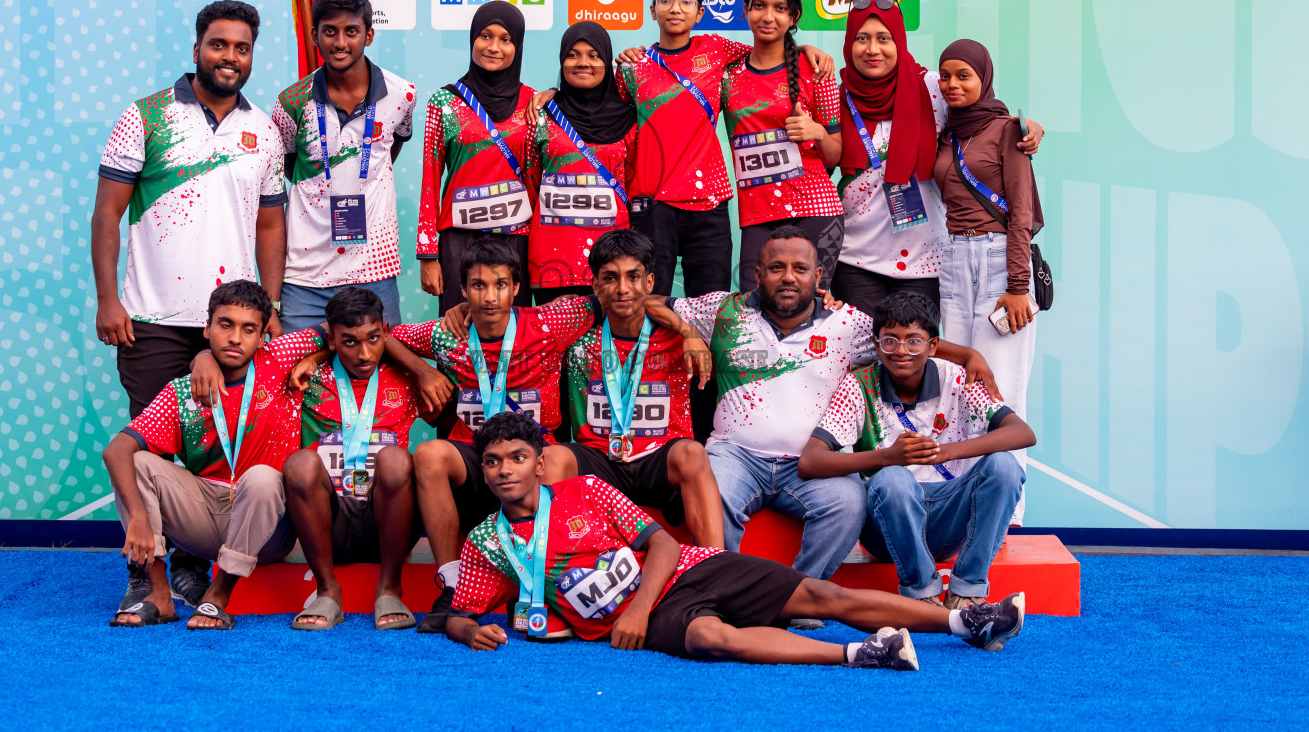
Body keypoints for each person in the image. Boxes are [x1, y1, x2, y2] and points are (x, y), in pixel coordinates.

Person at [443, 411, 1025, 667]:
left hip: (682, 573)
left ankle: (963, 623)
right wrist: (473, 629)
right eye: (492, 462)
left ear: (542, 463)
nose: (502, 471)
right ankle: (862, 654)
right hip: (657, 616)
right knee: (709, 638)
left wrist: (639, 610)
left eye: (517, 458)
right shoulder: (487, 542)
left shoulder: (586, 491)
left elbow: (664, 546)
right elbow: (457, 611)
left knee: (821, 597)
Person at [386, 237, 704, 633]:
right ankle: (452, 584)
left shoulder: (553, 321)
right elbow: (387, 336)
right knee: (430, 453)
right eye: (479, 286)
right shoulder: (446, 334)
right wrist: (424, 371)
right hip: (475, 456)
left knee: (551, 459)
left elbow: (627, 297)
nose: (490, 297)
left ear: (517, 288)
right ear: (463, 291)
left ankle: (546, 584)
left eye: (500, 285)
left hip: (534, 460)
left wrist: (684, 328)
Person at [683, 226, 998, 621]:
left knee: (849, 503)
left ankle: (793, 599)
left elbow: (901, 339)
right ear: (757, 273)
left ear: (818, 278)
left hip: (812, 466)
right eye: (776, 267)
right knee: (713, 493)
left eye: (800, 268)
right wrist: (686, 332)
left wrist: (969, 356)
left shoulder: (846, 323)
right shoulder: (722, 310)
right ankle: (724, 597)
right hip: (737, 454)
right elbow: (651, 302)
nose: (788, 277)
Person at [91, 0, 286, 606]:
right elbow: (106, 213)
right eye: (219, 44)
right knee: (148, 451)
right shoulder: (145, 116)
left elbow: (271, 227)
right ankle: (143, 571)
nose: (230, 57)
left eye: (242, 48)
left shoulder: (265, 131)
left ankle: (197, 566)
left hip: (230, 324)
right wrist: (107, 299)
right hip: (150, 320)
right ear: (197, 47)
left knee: (218, 451)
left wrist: (270, 304)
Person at [101, 281, 320, 630]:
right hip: (203, 515)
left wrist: (312, 357)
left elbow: (337, 330)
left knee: (263, 476)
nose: (235, 338)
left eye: (248, 329)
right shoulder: (182, 391)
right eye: (225, 325)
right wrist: (140, 517)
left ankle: (217, 597)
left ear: (264, 336)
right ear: (207, 327)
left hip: (267, 527)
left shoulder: (279, 359)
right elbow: (116, 451)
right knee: (138, 461)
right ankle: (159, 594)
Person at [799, 291, 1033, 609]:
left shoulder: (957, 379)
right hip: (886, 528)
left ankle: (967, 591)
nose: (901, 351)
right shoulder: (858, 385)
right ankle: (922, 595)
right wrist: (887, 457)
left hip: (949, 520)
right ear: (876, 344)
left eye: (914, 341)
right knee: (892, 478)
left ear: (933, 345)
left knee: (1005, 466)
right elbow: (810, 461)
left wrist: (949, 451)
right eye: (890, 341)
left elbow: (1022, 433)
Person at [607, 0, 834, 297]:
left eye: (686, 1)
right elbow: (602, 112)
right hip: (653, 201)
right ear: (652, 9)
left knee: (713, 306)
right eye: (666, 0)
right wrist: (552, 97)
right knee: (649, 303)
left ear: (700, 12)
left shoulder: (717, 50)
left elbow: (767, 51)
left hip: (708, 202)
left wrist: (804, 49)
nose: (675, 8)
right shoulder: (632, 67)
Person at [831, 0, 1042, 318]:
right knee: (864, 362)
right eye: (862, 38)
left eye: (883, 38)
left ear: (899, 41)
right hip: (855, 260)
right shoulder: (835, 96)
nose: (873, 49)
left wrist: (1027, 127)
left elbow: (982, 118)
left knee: (914, 360)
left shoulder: (930, 87)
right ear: (849, 43)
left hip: (926, 261)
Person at [280, 286, 442, 631]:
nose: (364, 353)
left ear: (386, 332)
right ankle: (327, 591)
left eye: (372, 338)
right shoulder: (307, 379)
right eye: (350, 341)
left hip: (386, 523)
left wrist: (425, 371)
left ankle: (390, 588)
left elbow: (451, 421)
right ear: (332, 338)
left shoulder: (407, 378)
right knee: (298, 464)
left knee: (396, 460)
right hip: (330, 524)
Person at [933, 39, 1044, 524]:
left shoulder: (1009, 131)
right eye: (947, 75)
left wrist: (1018, 286)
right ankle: (958, 509)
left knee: (1000, 391)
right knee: (955, 383)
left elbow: (1022, 213)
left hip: (1002, 264)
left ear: (985, 79)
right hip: (954, 259)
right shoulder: (947, 133)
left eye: (965, 76)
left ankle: (1007, 515)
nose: (954, 84)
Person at [558, 228, 725, 548]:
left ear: (649, 282)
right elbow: (513, 323)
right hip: (599, 461)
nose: (622, 288)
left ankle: (714, 564)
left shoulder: (682, 339)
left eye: (633, 277)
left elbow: (755, 314)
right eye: (610, 278)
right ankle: (558, 571)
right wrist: (464, 310)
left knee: (693, 452)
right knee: (552, 459)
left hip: (658, 462)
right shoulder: (575, 335)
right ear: (594, 285)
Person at [273, 0, 416, 329]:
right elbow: (289, 167)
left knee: (383, 376)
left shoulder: (403, 94)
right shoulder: (290, 102)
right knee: (297, 376)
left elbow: (390, 147)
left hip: (375, 269)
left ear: (368, 35)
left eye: (351, 31)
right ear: (314, 36)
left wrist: (362, 173)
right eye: (330, 31)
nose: (340, 42)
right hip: (304, 276)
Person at [721, 0, 844, 292]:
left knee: (812, 309)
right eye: (759, 5)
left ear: (794, 16)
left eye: (780, 8)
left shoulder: (816, 72)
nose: (768, 16)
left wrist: (816, 131)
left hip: (816, 209)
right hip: (757, 214)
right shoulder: (728, 74)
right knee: (751, 313)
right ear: (746, 9)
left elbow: (836, 153)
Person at [417, 1, 536, 315]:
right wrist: (428, 255)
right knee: (458, 334)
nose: (493, 47)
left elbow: (539, 179)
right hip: (459, 241)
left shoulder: (533, 102)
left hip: (516, 240)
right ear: (472, 39)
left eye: (505, 39)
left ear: (518, 46)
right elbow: (430, 179)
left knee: (511, 333)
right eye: (485, 36)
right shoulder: (445, 102)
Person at [525, 21, 638, 303]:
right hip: (552, 261)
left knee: (608, 345)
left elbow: (635, 185)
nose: (583, 63)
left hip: (613, 261)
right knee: (553, 345)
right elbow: (530, 183)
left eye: (594, 55)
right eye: (573, 54)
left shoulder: (630, 119)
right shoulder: (543, 115)